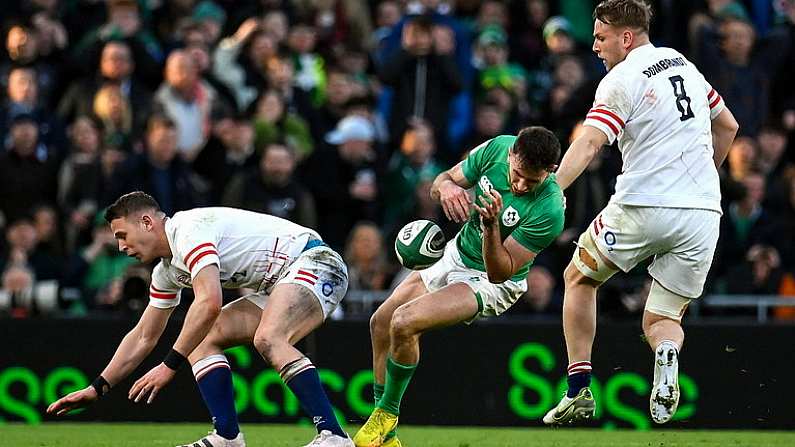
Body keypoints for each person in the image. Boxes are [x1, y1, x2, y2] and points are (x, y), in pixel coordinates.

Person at [541, 0, 739, 426]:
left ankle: (577, 390)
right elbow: (729, 127)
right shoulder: (682, 63)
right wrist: (704, 177)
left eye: (600, 37)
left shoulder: (621, 78)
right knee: (662, 318)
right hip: (703, 214)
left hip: (642, 206)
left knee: (578, 278)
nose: (594, 46)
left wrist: (552, 190)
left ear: (625, 37)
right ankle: (667, 355)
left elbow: (591, 142)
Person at [47, 192, 354, 447]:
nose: (121, 247)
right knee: (203, 339)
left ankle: (334, 436)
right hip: (281, 282)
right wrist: (97, 388)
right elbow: (143, 335)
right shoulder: (166, 271)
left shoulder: (188, 230)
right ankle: (227, 437)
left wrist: (168, 366)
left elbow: (209, 302)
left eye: (122, 235)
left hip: (316, 262)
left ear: (146, 221)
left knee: (267, 337)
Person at [353, 126, 564, 447]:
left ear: (550, 172)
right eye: (518, 174)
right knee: (381, 322)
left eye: (532, 181)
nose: (521, 185)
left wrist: (491, 226)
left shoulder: (549, 209)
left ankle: (386, 414)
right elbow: (441, 181)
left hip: (494, 281)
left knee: (405, 322)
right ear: (512, 155)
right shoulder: (496, 149)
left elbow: (500, 271)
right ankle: (389, 437)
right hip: (455, 254)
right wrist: (448, 188)